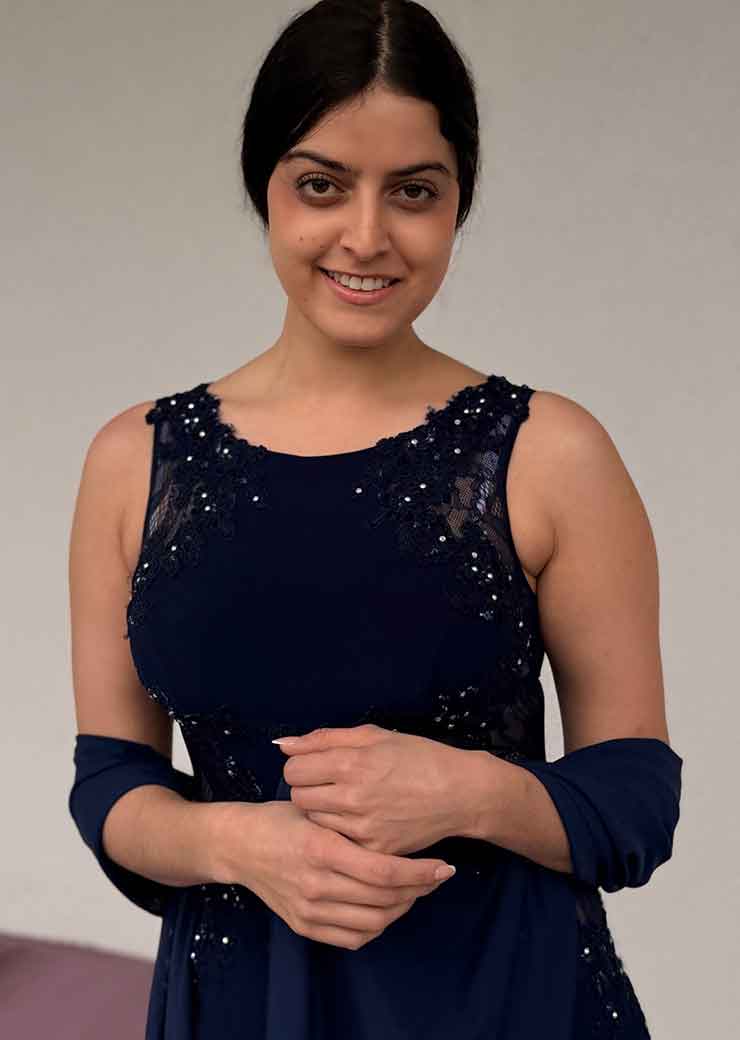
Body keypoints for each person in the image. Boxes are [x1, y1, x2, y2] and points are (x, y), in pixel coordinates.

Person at [67, 2, 683, 1038]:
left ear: (457, 203)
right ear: (264, 188)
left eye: (413, 192)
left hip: (506, 1003)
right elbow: (110, 781)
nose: (366, 236)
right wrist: (237, 844)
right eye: (321, 185)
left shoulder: (550, 453)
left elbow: (634, 800)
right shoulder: (135, 461)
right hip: (242, 1006)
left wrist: (469, 791)